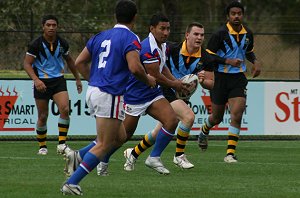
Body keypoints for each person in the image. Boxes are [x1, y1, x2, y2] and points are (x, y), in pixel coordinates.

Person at [60, 0, 156, 195]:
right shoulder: (131, 38)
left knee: (119, 137)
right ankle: (72, 182)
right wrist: (148, 80)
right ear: (135, 18)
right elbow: (135, 67)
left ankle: (78, 156)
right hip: (109, 94)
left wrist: (95, 80)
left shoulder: (101, 35)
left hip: (95, 90)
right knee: (104, 144)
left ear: (116, 16)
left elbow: (80, 62)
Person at [123, 22, 242, 170]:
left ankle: (132, 154)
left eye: (202, 35)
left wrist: (204, 80)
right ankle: (179, 156)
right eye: (196, 34)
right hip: (164, 90)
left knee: (158, 132)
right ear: (187, 35)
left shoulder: (206, 58)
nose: (199, 37)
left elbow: (211, 84)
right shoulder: (172, 48)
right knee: (189, 116)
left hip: (182, 95)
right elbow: (157, 68)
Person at [197, 1, 261, 163]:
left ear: (243, 15)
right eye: (233, 13)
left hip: (238, 79)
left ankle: (230, 154)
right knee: (217, 118)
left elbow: (249, 51)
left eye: (239, 13)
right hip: (220, 78)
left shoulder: (248, 33)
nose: (236, 16)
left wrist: (255, 62)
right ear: (228, 16)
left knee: (237, 114)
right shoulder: (220, 34)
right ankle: (204, 130)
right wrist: (227, 61)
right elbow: (209, 55)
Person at [23, 15, 82, 156]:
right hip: (41, 82)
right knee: (43, 116)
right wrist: (36, 80)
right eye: (48, 25)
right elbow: (26, 64)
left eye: (54, 25)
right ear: (43, 26)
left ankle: (62, 144)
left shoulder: (62, 43)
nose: (51, 27)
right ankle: (42, 147)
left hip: (58, 80)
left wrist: (78, 79)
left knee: (65, 109)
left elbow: (70, 60)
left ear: (57, 27)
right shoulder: (35, 44)